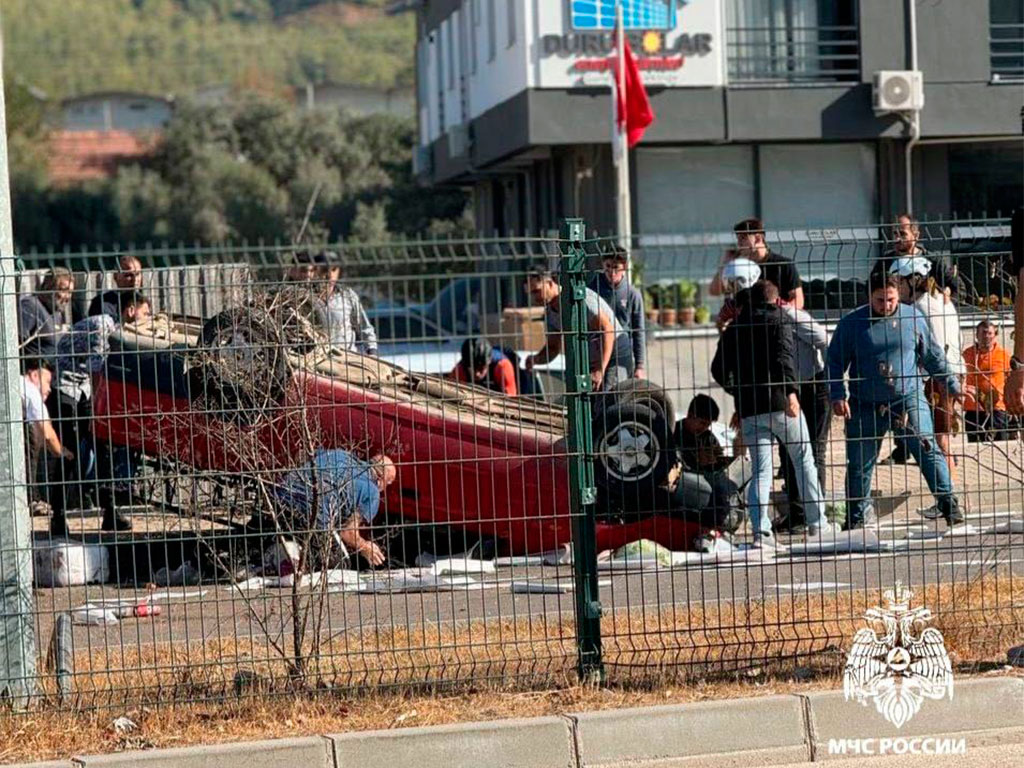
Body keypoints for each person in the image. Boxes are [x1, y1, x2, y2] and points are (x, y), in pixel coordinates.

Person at [827, 272, 964, 530]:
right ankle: (855, 518)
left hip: (907, 398)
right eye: (880, 300)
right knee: (860, 462)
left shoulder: (912, 318)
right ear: (870, 297)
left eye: (891, 300)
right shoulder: (852, 324)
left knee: (927, 450)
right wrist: (837, 395)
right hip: (865, 402)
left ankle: (949, 504)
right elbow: (834, 361)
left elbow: (933, 355)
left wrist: (952, 385)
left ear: (898, 295)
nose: (886, 305)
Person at [711, 280, 834, 546]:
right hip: (781, 405)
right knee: (804, 461)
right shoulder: (779, 320)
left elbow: (718, 370)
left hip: (750, 409)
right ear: (774, 300)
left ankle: (761, 532)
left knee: (762, 470)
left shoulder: (734, 328)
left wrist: (737, 392)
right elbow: (784, 357)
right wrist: (791, 392)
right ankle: (818, 524)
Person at [52, 291, 152, 535]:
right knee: (70, 452)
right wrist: (101, 410)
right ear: (131, 310)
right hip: (66, 389)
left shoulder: (116, 330)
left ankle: (110, 512)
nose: (147, 319)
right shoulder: (102, 326)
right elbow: (98, 372)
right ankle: (58, 517)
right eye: (145, 313)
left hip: (83, 388)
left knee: (104, 449)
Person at [886, 257, 965, 488]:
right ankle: (951, 493)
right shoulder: (940, 300)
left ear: (913, 281)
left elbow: (934, 348)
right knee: (941, 437)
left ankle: (951, 495)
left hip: (939, 377)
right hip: (953, 372)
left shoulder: (919, 308)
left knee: (939, 440)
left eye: (899, 282)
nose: (896, 288)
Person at [272, 449, 397, 567]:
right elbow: (348, 532)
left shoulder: (340, 454)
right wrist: (365, 546)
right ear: (381, 480)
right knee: (340, 565)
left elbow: (305, 456)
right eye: (388, 483)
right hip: (312, 515)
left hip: (280, 494)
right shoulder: (372, 492)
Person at [773, 283, 831, 532]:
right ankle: (797, 514)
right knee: (788, 452)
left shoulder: (791, 316)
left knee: (813, 451)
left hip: (812, 386)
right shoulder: (767, 319)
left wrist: (830, 378)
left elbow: (824, 341)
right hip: (789, 388)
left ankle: (814, 514)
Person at [523, 266, 633, 392]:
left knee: (609, 401)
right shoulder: (551, 313)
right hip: (591, 361)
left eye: (536, 291)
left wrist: (599, 370)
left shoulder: (579, 299)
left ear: (549, 283)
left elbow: (607, 330)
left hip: (615, 356)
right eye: (530, 293)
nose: (534, 298)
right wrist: (536, 359)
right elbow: (553, 348)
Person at [673, 394, 743, 533]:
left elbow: (719, 462)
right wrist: (697, 463)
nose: (705, 428)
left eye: (708, 424)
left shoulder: (707, 437)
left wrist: (717, 462)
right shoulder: (675, 433)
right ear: (690, 415)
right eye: (702, 423)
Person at [710, 218, 804, 313]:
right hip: (747, 323)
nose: (738, 244)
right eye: (738, 239)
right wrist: (726, 264)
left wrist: (779, 315)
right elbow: (714, 291)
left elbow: (798, 301)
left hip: (775, 322)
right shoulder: (740, 267)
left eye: (743, 238)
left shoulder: (783, 265)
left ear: (758, 238)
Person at [21, 358, 73, 512]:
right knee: (28, 438)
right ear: (34, 375)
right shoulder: (30, 390)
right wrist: (62, 452)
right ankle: (31, 499)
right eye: (47, 381)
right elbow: (47, 433)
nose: (49, 388)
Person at [869, 214, 961, 301]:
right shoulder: (886, 261)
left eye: (902, 234)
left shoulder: (933, 261)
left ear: (916, 235)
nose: (897, 239)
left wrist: (945, 299)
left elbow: (959, 289)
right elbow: (870, 288)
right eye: (895, 234)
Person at [589, 248, 647, 379]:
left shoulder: (632, 294)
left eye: (616, 267)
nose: (611, 272)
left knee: (613, 393)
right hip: (596, 351)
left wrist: (639, 366)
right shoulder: (593, 289)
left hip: (619, 353)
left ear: (625, 267)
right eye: (608, 266)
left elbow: (638, 331)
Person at [313, 252, 378, 355]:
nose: (330, 275)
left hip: (347, 360)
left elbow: (364, 327)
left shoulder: (347, 296)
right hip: (318, 360)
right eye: (325, 270)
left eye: (334, 270)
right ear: (315, 271)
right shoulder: (306, 297)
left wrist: (372, 351)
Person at [962, 320, 1014, 442]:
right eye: (983, 333)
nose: (987, 336)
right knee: (974, 446)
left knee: (1000, 446)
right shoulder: (967, 354)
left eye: (990, 333)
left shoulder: (1003, 355)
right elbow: (959, 378)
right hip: (973, 409)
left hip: (997, 409)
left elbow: (1011, 380)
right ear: (976, 335)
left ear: (995, 335)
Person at [18, 267, 73, 362]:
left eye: (70, 292)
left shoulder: (55, 312)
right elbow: (17, 345)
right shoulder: (30, 306)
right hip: (34, 372)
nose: (68, 297)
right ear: (48, 288)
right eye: (64, 290)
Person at [446, 337, 518, 396]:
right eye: (472, 368)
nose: (477, 373)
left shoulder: (502, 367)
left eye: (481, 368)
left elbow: (511, 399)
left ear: (489, 363)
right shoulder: (460, 370)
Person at [88, 254, 144, 320]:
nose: (135, 280)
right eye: (128, 275)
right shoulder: (102, 303)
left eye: (137, 274)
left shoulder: (142, 301)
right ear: (115, 276)